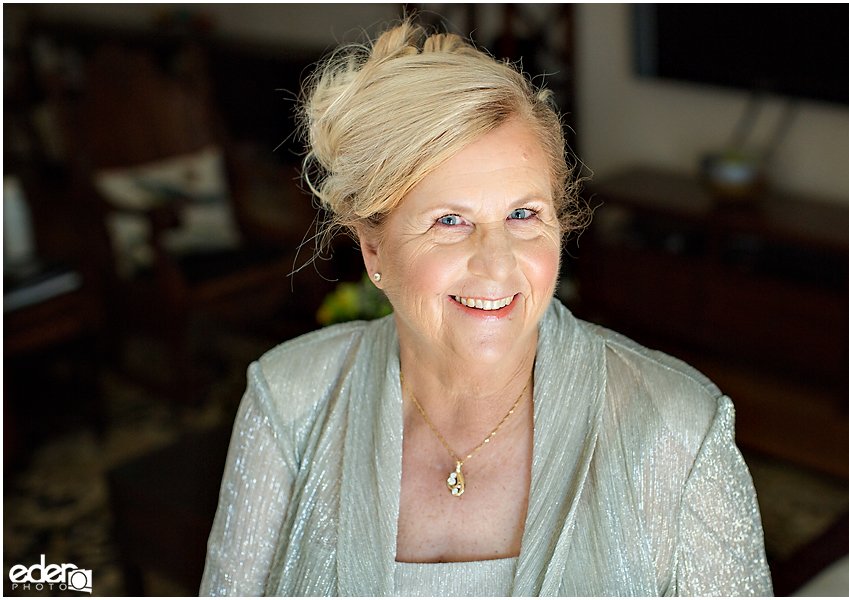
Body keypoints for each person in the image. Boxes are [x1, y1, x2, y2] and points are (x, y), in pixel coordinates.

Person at [200, 20, 772, 596]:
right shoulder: (288, 400)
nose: (497, 265)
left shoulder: (678, 430)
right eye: (450, 221)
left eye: (523, 215)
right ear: (374, 247)